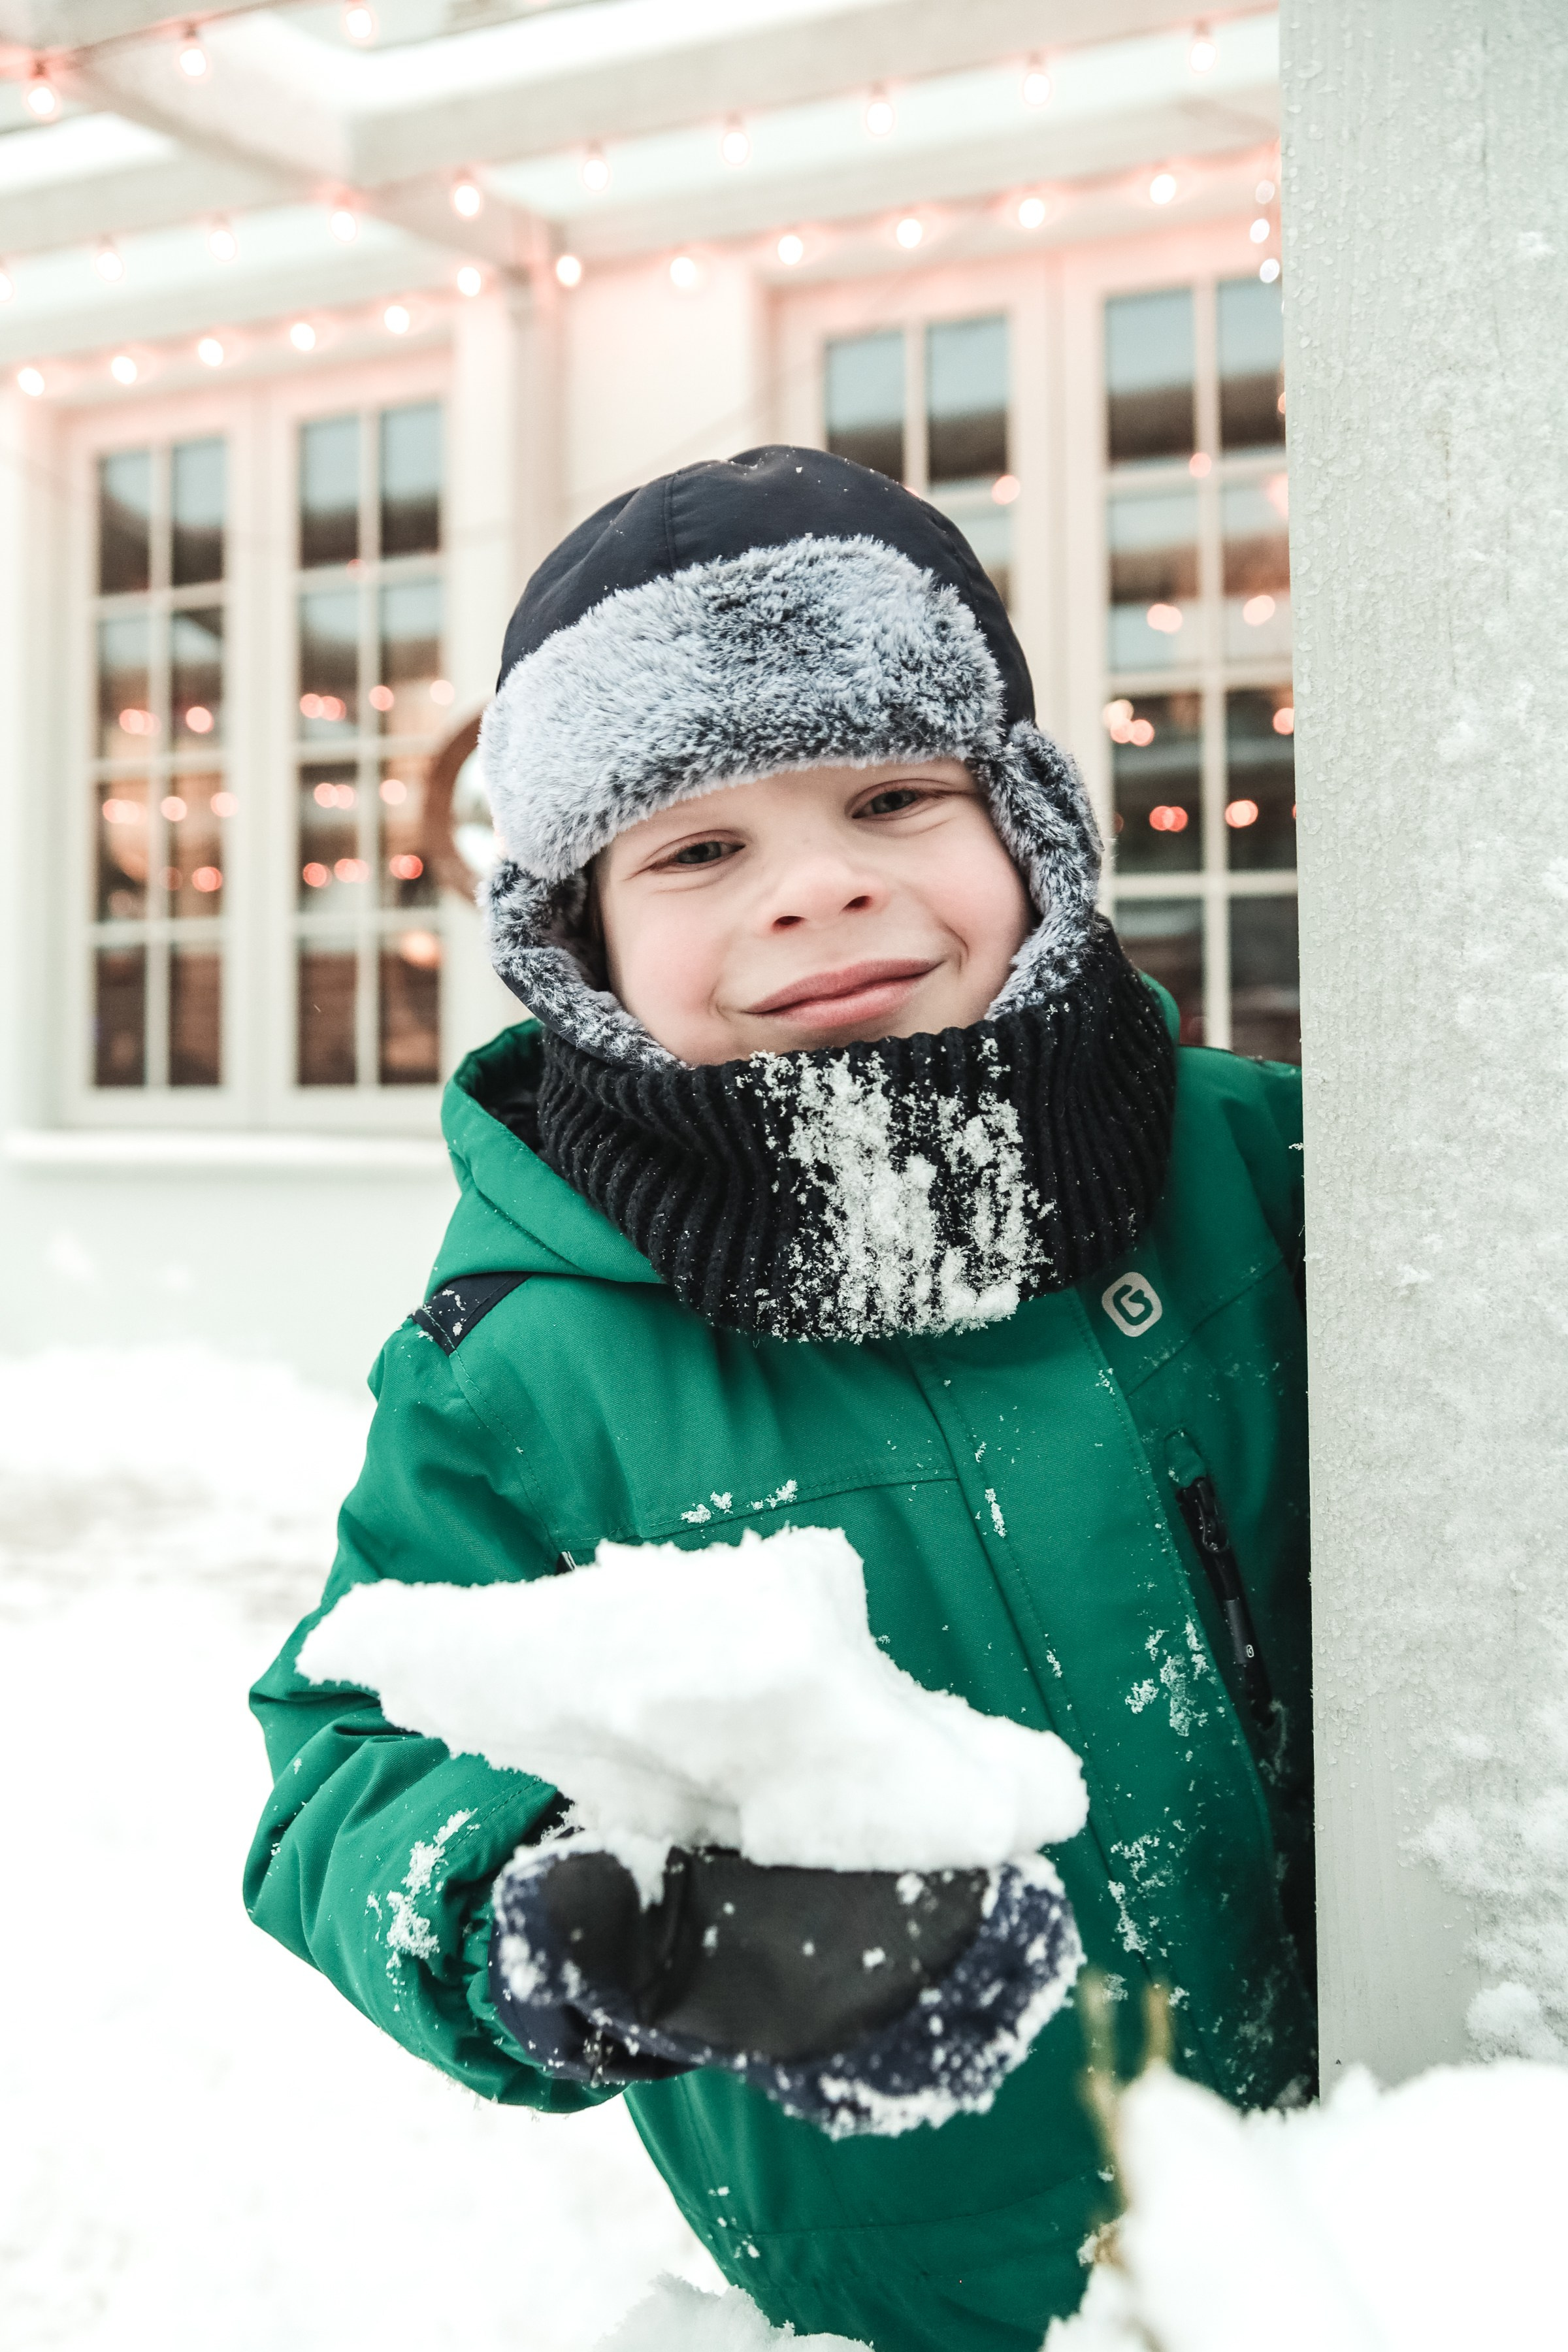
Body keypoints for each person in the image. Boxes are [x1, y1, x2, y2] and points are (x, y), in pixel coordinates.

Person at [245, 446, 1313, 2352]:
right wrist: (565, 1913)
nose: (820, 886)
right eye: (696, 849)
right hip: (916, 2304)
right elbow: (346, 1749)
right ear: (578, 949)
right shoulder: (533, 1353)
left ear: (1035, 835)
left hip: (1382, 2202)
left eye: (896, 796)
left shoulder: (1272, 1175)